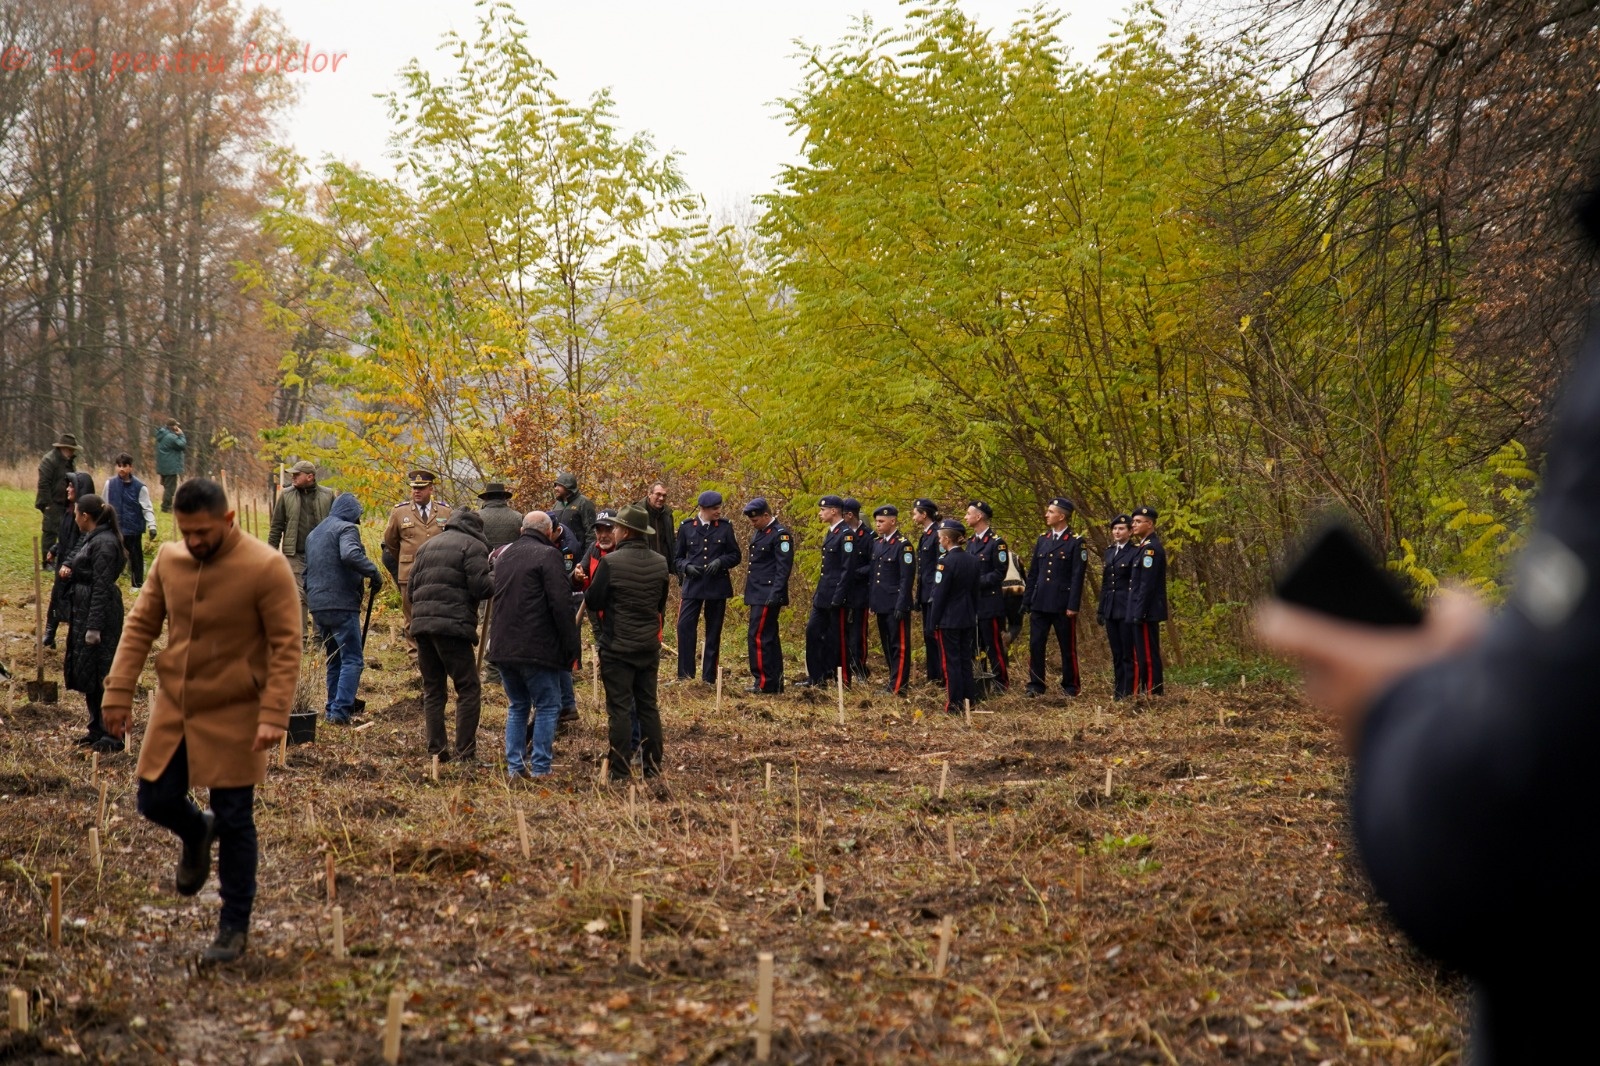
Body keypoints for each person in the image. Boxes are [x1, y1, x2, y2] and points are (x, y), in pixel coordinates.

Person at [102, 478, 302, 963]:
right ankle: (195, 831)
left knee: (235, 818)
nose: (194, 542)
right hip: (178, 705)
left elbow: (285, 646)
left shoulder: (266, 566)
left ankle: (233, 926)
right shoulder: (170, 560)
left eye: (203, 532)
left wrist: (275, 714)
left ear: (228, 521)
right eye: (185, 532)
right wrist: (118, 690)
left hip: (238, 709)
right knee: (154, 797)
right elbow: (140, 626)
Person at [585, 503, 670, 790]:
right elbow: (660, 605)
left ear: (625, 531)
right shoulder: (660, 563)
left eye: (617, 527)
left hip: (617, 646)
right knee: (648, 707)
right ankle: (653, 768)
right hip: (648, 645)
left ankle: (620, 771)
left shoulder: (611, 562)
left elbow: (593, 601)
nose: (614, 530)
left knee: (620, 709)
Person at [490, 511, 581, 780]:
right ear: (550, 532)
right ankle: (541, 767)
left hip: (504, 646)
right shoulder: (549, 555)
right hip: (536, 648)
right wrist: (571, 646)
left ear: (521, 530)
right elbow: (561, 605)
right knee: (548, 705)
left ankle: (515, 769)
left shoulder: (504, 555)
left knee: (518, 705)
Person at [407, 508, 492, 763]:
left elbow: (411, 589)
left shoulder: (426, 546)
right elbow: (482, 587)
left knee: (433, 689)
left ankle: (436, 751)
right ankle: (465, 753)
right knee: (468, 687)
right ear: (476, 528)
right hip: (452, 627)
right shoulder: (473, 546)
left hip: (421, 625)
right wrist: (496, 573)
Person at [304, 493, 382, 725]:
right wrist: (373, 572)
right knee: (352, 660)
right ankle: (340, 712)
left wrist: (314, 596)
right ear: (352, 514)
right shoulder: (347, 529)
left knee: (334, 659)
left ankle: (331, 709)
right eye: (357, 517)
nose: (357, 522)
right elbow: (349, 554)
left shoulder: (313, 534)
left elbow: (306, 572)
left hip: (318, 605)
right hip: (341, 605)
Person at [59, 495, 126, 753]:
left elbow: (101, 587)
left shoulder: (105, 544)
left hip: (101, 615)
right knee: (90, 673)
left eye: (76, 513)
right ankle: (96, 728)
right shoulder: (93, 537)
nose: (74, 517)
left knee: (104, 674)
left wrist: (95, 627)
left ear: (84, 516)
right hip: (85, 610)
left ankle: (113, 734)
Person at [673, 490, 742, 684]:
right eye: (715, 508)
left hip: (716, 586)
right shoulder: (687, 527)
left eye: (719, 507)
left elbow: (736, 555)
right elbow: (676, 558)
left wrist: (721, 561)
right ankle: (685, 675)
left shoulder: (725, 528)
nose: (718, 511)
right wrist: (686, 567)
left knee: (713, 631)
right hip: (693, 586)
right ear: (703, 509)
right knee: (685, 627)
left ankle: (709, 677)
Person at [1023, 497, 1088, 698]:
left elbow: (1078, 576)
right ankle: (1036, 684)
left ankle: (1071, 685)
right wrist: (1027, 599)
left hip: (1062, 603)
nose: (1046, 515)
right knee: (1036, 644)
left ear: (1061, 516)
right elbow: (1034, 572)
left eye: (1050, 512)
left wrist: (1073, 605)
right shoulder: (1043, 539)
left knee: (1067, 646)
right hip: (1040, 601)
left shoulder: (1076, 542)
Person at [381, 470, 453, 651]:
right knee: (411, 613)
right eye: (414, 488)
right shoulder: (400, 511)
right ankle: (414, 654)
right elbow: (390, 541)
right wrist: (404, 559)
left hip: (438, 571)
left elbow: (452, 537)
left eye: (421, 488)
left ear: (431, 489)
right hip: (409, 571)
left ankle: (435, 651)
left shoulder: (445, 511)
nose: (416, 492)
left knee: (436, 611)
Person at [268, 460, 335, 628]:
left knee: (319, 594)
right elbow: (276, 526)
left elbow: (336, 526)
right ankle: (301, 638)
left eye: (297, 475)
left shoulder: (328, 495)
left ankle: (320, 637)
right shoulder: (285, 495)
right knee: (298, 595)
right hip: (295, 553)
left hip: (321, 554)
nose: (293, 477)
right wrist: (270, 553)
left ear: (310, 477)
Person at [800, 495, 855, 688]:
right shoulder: (832, 532)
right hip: (823, 595)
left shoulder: (846, 534)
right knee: (813, 632)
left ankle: (844, 679)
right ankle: (816, 677)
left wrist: (839, 596)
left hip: (836, 596)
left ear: (834, 511)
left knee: (837, 638)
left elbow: (847, 569)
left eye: (823, 510)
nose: (820, 513)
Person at [928, 518, 981, 714]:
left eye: (940, 538)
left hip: (948, 619)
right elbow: (975, 592)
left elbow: (939, 595)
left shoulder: (945, 563)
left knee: (950, 663)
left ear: (947, 540)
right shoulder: (973, 561)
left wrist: (933, 622)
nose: (939, 541)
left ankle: (954, 704)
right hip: (967, 617)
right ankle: (969, 700)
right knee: (965, 660)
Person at [742, 497, 793, 694]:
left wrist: (776, 593)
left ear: (766, 515)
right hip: (757, 592)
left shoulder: (780, 535)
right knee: (768, 637)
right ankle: (773, 681)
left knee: (759, 637)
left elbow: (783, 568)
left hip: (767, 593)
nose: (753, 524)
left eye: (755, 520)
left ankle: (764, 682)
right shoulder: (761, 533)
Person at [45, 472, 96, 648]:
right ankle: (49, 636)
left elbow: (82, 542)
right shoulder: (69, 511)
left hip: (77, 567)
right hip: (63, 564)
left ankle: (74, 640)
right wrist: (55, 549)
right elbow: (65, 538)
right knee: (56, 598)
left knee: (74, 605)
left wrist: (69, 563)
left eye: (71, 486)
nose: (67, 489)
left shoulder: (86, 516)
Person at [868, 505, 916, 694]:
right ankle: (892, 680)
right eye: (877, 521)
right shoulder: (878, 544)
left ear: (893, 521)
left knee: (899, 646)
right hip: (881, 602)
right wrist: (872, 601)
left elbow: (906, 578)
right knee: (887, 645)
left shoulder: (903, 545)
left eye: (881, 522)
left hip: (896, 602)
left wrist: (902, 603)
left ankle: (899, 686)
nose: (877, 525)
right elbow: (874, 575)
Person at [965, 501, 1011, 692]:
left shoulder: (996, 543)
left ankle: (1001, 682)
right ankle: (980, 682)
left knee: (993, 645)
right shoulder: (970, 542)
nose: (966, 517)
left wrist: (976, 582)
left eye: (969, 514)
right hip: (972, 603)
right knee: (976, 646)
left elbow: (1000, 573)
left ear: (979, 516)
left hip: (989, 602)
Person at [1125, 505, 1167, 696]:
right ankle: (1145, 689)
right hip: (1137, 608)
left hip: (1147, 611)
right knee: (1140, 653)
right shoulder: (1141, 548)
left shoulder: (1151, 549)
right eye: (1133, 521)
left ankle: (1153, 691)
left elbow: (1147, 585)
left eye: (1138, 522)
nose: (1133, 525)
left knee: (1148, 654)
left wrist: (1139, 611)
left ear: (1149, 524)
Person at [104, 452, 158, 589]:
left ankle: (137, 584)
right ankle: (110, 582)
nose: (121, 469)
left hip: (133, 529)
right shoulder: (109, 484)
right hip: (114, 528)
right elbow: (104, 504)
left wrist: (152, 525)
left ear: (131, 467)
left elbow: (147, 508)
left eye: (125, 466)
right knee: (113, 556)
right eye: (119, 466)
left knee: (135, 558)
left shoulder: (140, 487)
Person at [1098, 515, 1137, 699]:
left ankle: (1129, 689)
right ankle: (1118, 689)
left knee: (1128, 652)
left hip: (1126, 607)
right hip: (1111, 607)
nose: (1117, 532)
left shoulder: (1135, 551)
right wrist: (1101, 609)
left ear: (1130, 531)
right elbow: (1106, 583)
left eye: (1121, 529)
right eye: (1114, 529)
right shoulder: (1109, 552)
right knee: (1116, 652)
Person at [839, 498, 874, 680]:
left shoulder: (868, 537)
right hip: (842, 590)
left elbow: (874, 564)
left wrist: (855, 573)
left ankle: (859, 668)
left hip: (860, 590)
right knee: (842, 632)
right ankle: (844, 668)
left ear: (849, 515)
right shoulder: (841, 533)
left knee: (858, 633)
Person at [912, 499, 943, 686]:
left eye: (915, 513)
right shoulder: (926, 535)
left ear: (924, 515)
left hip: (934, 592)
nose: (913, 516)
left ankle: (940, 675)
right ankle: (933, 676)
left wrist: (935, 592)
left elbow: (940, 565)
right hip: (925, 593)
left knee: (935, 634)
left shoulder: (938, 534)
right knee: (928, 634)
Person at [35, 432, 78, 553]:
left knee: (65, 530)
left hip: (65, 502)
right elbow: (43, 484)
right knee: (50, 531)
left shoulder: (69, 461)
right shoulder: (49, 460)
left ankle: (59, 557)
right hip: (51, 501)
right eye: (70, 449)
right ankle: (47, 561)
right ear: (63, 448)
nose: (72, 452)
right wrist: (47, 504)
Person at [550, 472, 597, 556]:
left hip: (578, 553)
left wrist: (587, 556)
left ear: (568, 487)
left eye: (559, 485)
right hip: (559, 553)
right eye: (555, 485)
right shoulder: (556, 505)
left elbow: (591, 532)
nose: (556, 488)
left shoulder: (584, 502)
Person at [639, 483, 677, 574]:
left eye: (664, 495)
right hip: (642, 567)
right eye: (658, 494)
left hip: (662, 568)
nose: (661, 498)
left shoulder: (667, 515)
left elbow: (670, 541)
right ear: (649, 494)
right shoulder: (637, 512)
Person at [477, 481, 523, 550]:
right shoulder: (519, 517)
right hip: (511, 558)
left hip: (483, 559)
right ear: (504, 497)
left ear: (485, 498)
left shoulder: (475, 517)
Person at [153, 419, 187, 512]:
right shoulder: (171, 437)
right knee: (170, 488)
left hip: (164, 465)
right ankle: (166, 507)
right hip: (170, 466)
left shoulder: (162, 435)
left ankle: (166, 505)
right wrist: (181, 434)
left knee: (167, 487)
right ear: (173, 427)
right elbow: (182, 445)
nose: (178, 427)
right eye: (176, 426)